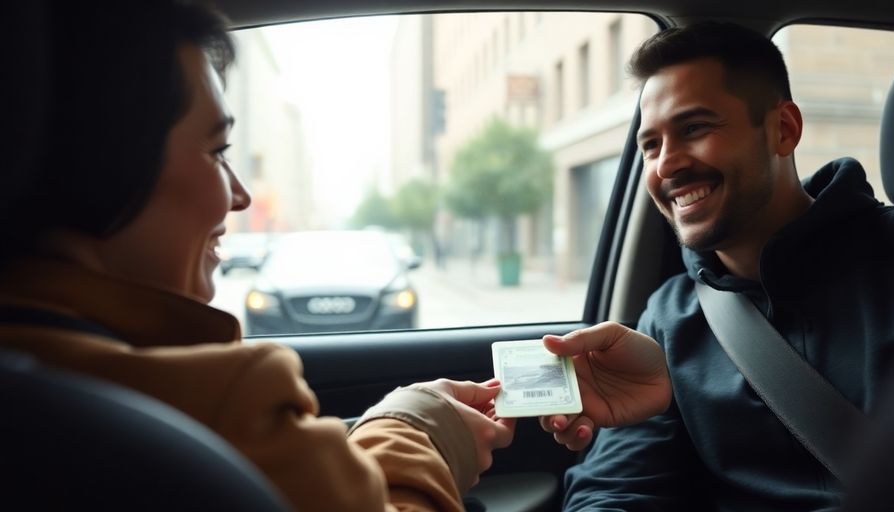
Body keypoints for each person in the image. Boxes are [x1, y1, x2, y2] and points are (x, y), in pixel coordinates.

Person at [0, 1, 514, 511]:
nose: (239, 195)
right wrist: (421, 433)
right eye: (217, 151)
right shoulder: (229, 402)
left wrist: (391, 423)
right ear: (103, 167)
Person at [538, 21, 894, 510]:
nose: (665, 165)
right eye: (651, 145)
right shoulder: (668, 321)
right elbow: (616, 492)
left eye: (694, 128)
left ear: (783, 130)